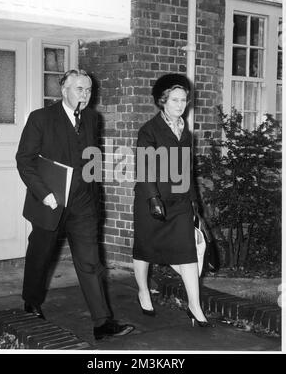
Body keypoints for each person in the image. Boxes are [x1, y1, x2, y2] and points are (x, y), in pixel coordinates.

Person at [16, 69, 135, 340]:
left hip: (83, 203)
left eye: (89, 90)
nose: (85, 94)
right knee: (41, 255)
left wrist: (96, 196)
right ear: (64, 90)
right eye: (79, 88)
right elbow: (25, 159)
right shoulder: (40, 118)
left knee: (90, 262)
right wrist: (44, 193)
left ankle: (102, 322)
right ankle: (31, 301)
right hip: (51, 201)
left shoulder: (93, 118)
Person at [133, 73, 214, 327]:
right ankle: (143, 291)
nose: (181, 105)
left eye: (184, 100)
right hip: (151, 199)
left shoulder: (185, 131)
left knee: (187, 252)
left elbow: (187, 170)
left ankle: (194, 306)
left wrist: (194, 202)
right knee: (145, 248)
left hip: (179, 201)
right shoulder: (149, 130)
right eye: (176, 100)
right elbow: (144, 169)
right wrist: (153, 198)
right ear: (162, 101)